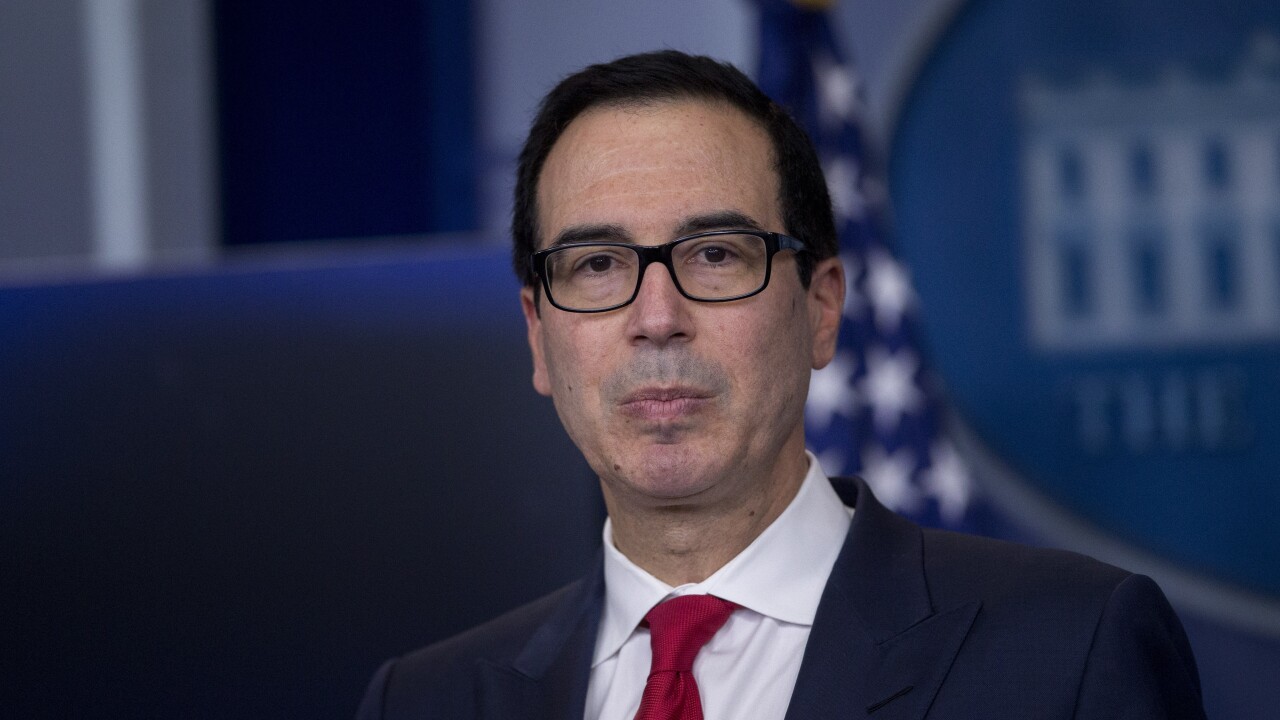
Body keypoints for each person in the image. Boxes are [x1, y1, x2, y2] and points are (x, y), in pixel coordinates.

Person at [357, 50, 1205, 719]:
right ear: (539, 337)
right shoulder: (424, 701)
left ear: (822, 310)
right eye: (597, 264)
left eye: (715, 255)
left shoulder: (1070, 651)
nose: (657, 317)